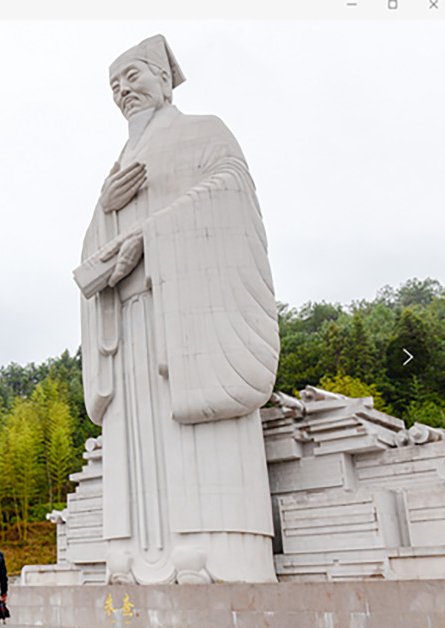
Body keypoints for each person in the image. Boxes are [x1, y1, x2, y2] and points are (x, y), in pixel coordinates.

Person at [75, 34, 279, 584]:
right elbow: (92, 258)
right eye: (114, 85)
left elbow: (232, 189)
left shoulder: (203, 132)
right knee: (135, 438)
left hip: (186, 320)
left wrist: (150, 233)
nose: (123, 91)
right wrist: (107, 209)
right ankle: (131, 553)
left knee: (195, 440)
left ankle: (213, 549)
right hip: (131, 325)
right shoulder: (118, 165)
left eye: (134, 76)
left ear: (165, 80)